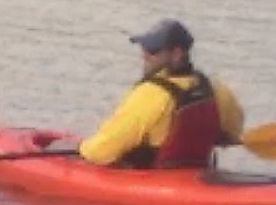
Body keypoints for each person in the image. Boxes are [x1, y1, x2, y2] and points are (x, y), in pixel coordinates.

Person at [77, 19, 245, 169]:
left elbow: (101, 152)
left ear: (177, 54)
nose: (144, 55)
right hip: (197, 175)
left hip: (150, 182)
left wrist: (82, 148)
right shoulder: (216, 89)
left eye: (153, 50)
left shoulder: (150, 94)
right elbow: (232, 134)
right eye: (145, 48)